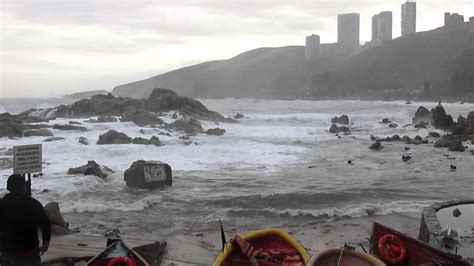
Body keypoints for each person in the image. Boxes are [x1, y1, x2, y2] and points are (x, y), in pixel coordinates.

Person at [0, 174, 51, 266]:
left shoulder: (2, 204)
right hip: (28, 254)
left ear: (8, 187)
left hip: (7, 252)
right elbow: (46, 224)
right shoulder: (33, 204)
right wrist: (45, 245)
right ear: (24, 186)